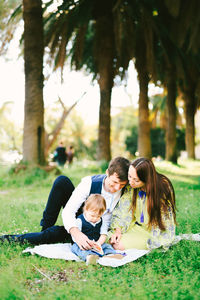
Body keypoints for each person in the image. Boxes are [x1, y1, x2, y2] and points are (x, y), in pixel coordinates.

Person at [0, 157, 130, 248]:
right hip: (83, 217)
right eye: (114, 183)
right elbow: (69, 210)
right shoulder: (89, 183)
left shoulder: (127, 191)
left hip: (97, 229)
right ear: (107, 173)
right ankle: (45, 229)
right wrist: (75, 232)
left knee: (54, 234)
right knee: (62, 181)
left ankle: (45, 236)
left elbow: (110, 219)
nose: (117, 188)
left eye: (122, 185)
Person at [109, 157, 176, 251]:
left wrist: (157, 241)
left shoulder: (162, 187)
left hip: (150, 232)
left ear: (147, 179)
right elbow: (124, 209)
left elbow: (165, 221)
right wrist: (118, 230)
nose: (131, 182)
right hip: (133, 225)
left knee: (118, 246)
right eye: (129, 176)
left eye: (136, 180)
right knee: (108, 239)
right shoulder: (131, 186)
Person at [71, 194, 117, 264]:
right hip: (83, 244)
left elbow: (103, 234)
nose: (95, 218)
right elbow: (75, 236)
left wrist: (98, 243)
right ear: (85, 209)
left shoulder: (102, 221)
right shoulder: (80, 220)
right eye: (92, 215)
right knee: (76, 248)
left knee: (107, 246)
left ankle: (111, 255)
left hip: (97, 243)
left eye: (98, 216)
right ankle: (89, 257)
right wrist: (85, 243)